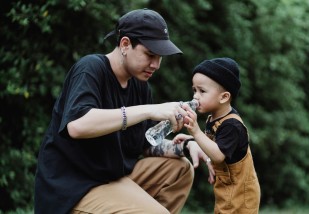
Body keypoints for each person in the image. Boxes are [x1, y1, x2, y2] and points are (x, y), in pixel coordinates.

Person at [34, 8, 213, 214]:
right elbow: (77, 125)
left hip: (112, 179)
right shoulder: (91, 68)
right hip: (73, 189)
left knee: (180, 170)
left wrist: (186, 146)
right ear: (125, 44)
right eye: (150, 54)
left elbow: (145, 144)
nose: (155, 64)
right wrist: (148, 110)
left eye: (160, 57)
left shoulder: (140, 86)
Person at [173, 58, 261, 213]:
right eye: (194, 90)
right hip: (227, 189)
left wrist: (196, 132)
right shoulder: (213, 119)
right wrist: (192, 138)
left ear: (224, 97)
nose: (195, 97)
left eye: (202, 91)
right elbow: (212, 142)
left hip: (241, 195)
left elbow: (219, 155)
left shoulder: (232, 125)